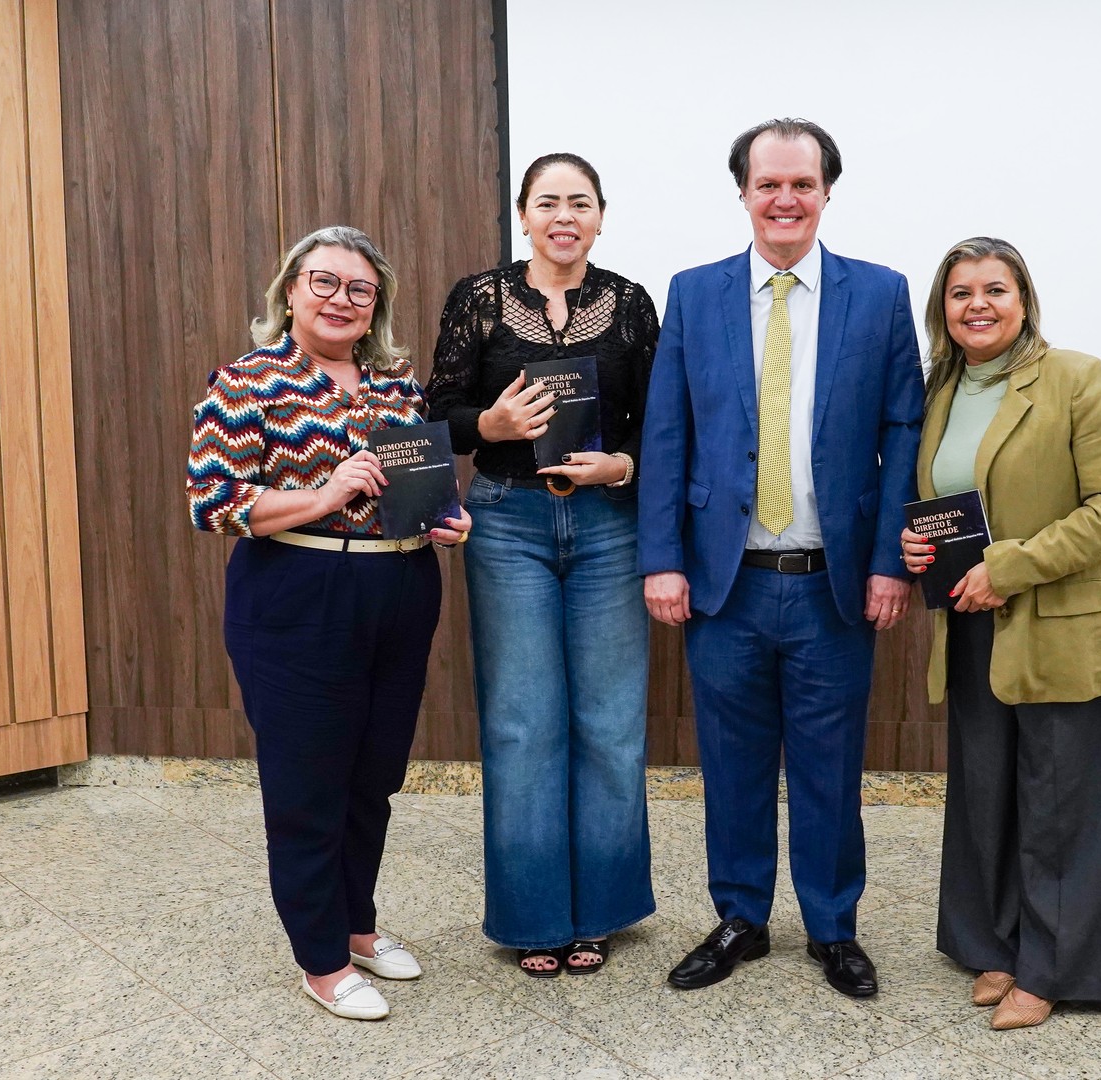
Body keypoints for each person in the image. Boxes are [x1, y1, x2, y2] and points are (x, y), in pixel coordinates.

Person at [638, 118, 925, 999]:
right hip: (726, 582)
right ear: (743, 193)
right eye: (769, 184)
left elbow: (902, 430)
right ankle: (740, 917)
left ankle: (833, 927)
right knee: (729, 760)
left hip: (831, 583)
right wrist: (663, 557)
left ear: (828, 191)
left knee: (831, 766)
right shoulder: (695, 293)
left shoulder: (879, 294)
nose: (785, 200)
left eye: (802, 184)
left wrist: (890, 562)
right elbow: (667, 432)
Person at [187, 225, 470, 1021]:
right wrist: (323, 494)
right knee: (309, 782)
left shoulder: (395, 384)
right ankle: (317, 959)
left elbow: (421, 487)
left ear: (375, 304)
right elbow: (215, 504)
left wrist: (448, 522)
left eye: (359, 289)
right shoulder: (246, 383)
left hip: (403, 586)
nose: (341, 300)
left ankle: (355, 925)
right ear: (289, 289)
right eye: (324, 282)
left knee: (372, 776)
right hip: (297, 594)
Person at [901, 237, 1101, 1030]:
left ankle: (1054, 970)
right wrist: (920, 550)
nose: (977, 305)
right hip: (972, 627)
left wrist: (1010, 567)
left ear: (1023, 300)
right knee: (986, 794)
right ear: (943, 307)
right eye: (960, 292)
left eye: (994, 290)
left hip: (1060, 628)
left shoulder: (1075, 378)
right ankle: (994, 946)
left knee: (1062, 803)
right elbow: (944, 499)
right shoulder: (941, 389)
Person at [426, 153, 660, 978]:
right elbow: (436, 413)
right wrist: (486, 425)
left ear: (601, 216)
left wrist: (620, 467)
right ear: (523, 215)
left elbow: (662, 424)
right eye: (548, 202)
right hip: (508, 523)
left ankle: (600, 910)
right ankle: (533, 915)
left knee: (609, 722)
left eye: (581, 202)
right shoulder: (479, 299)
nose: (565, 215)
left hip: (608, 526)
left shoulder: (630, 304)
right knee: (523, 724)